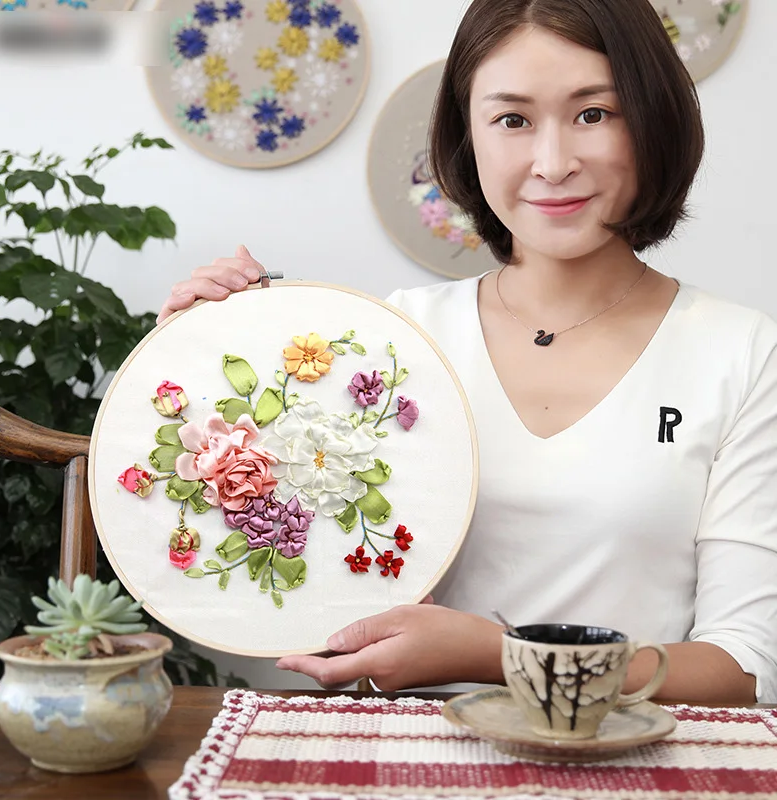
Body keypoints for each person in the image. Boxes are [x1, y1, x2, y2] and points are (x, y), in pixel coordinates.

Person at [157, 0, 777, 703]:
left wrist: (504, 658)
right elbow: (286, 567)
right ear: (467, 137)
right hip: (406, 749)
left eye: (594, 113)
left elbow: (744, 667)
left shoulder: (741, 352)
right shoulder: (389, 342)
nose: (553, 163)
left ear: (653, 119)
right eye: (512, 120)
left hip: (635, 755)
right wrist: (193, 372)